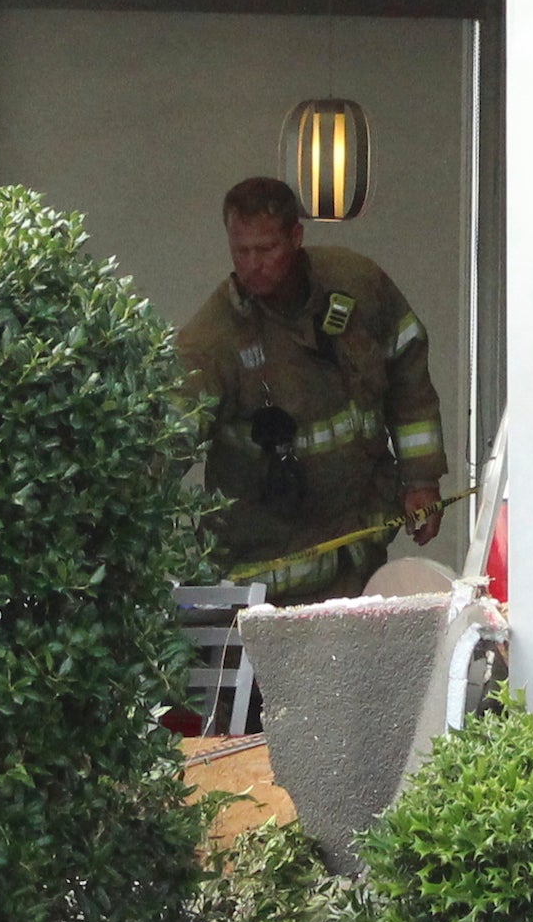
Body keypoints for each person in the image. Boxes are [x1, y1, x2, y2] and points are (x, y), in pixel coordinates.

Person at [177, 177, 448, 603]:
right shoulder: (212, 342)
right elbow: (167, 437)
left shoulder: (357, 285)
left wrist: (421, 480)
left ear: (296, 237)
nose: (252, 265)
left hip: (357, 552)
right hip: (268, 577)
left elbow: (409, 377)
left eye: (266, 249)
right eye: (241, 251)